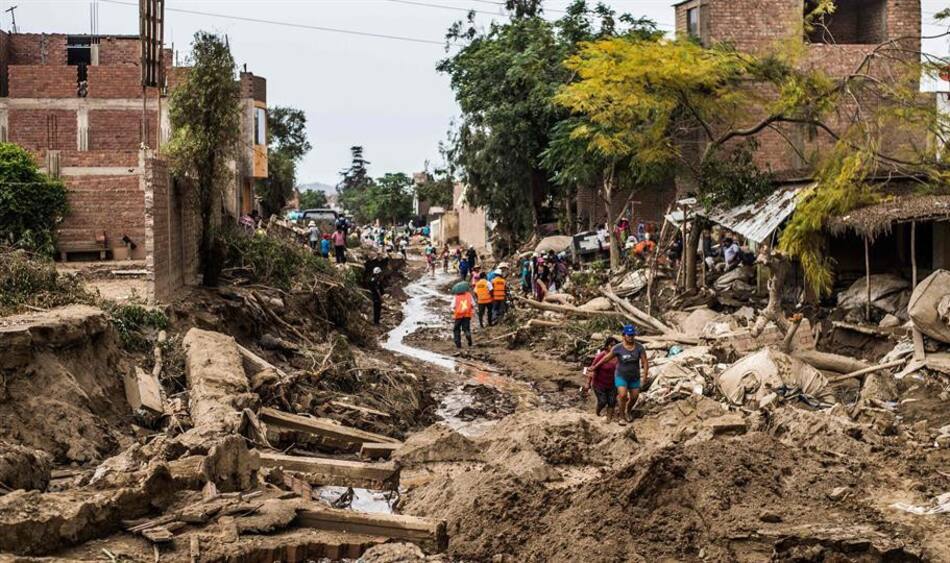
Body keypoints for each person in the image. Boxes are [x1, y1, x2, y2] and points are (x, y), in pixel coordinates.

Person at [588, 324, 649, 424]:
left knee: (634, 397)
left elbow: (645, 362)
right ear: (623, 335)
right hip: (621, 376)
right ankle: (622, 417)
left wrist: (645, 375)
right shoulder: (618, 348)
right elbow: (605, 358)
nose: (630, 337)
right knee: (623, 395)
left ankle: (628, 411)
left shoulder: (639, 347)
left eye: (632, 335)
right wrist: (595, 367)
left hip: (634, 377)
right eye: (628, 335)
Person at [582, 336, 619, 422]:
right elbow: (592, 368)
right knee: (602, 401)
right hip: (599, 384)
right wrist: (588, 383)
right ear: (607, 346)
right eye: (611, 345)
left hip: (612, 384)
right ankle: (597, 413)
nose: (613, 347)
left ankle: (609, 419)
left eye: (615, 345)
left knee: (612, 402)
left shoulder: (618, 356)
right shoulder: (601, 355)